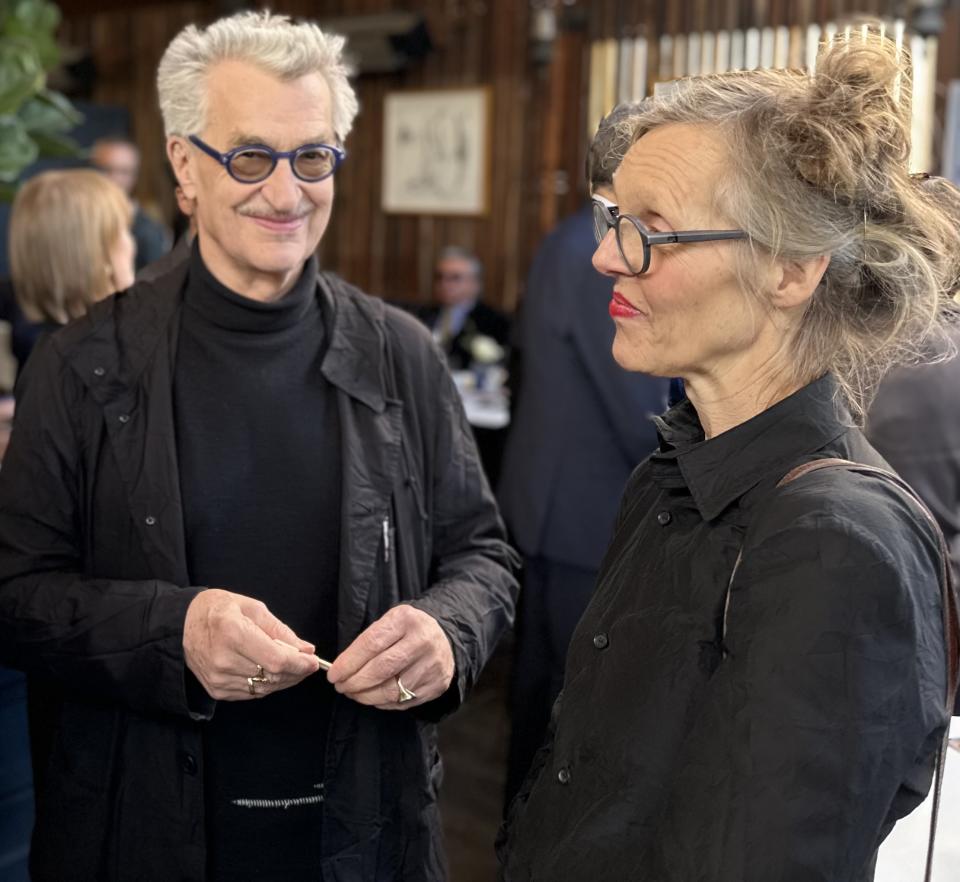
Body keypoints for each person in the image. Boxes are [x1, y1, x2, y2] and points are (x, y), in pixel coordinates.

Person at [0, 12, 517, 882]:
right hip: (144, 829)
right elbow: (15, 594)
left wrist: (448, 629)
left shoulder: (400, 353)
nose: (285, 194)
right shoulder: (84, 364)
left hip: (365, 829)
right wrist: (175, 630)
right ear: (183, 166)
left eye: (312, 157)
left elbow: (485, 556)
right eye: (250, 158)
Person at [499, 28, 959, 882]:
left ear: (790, 270)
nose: (606, 255)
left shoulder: (832, 547)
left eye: (652, 230)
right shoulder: (670, 476)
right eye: (613, 221)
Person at [497, 103, 668, 804]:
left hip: (551, 503)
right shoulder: (600, 250)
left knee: (539, 705)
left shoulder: (567, 237)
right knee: (564, 715)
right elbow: (635, 405)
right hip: (582, 514)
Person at [8, 168, 136, 366]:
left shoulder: (35, 340)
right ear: (98, 256)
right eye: (123, 232)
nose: (130, 244)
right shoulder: (103, 354)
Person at [417, 246, 510, 371]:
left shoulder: (494, 321)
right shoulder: (422, 315)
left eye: (455, 278)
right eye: (440, 277)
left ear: (475, 283)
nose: (444, 284)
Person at [91, 136, 172, 270]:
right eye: (106, 169)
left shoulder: (148, 232)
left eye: (124, 172)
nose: (115, 178)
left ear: (135, 176)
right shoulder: (76, 220)